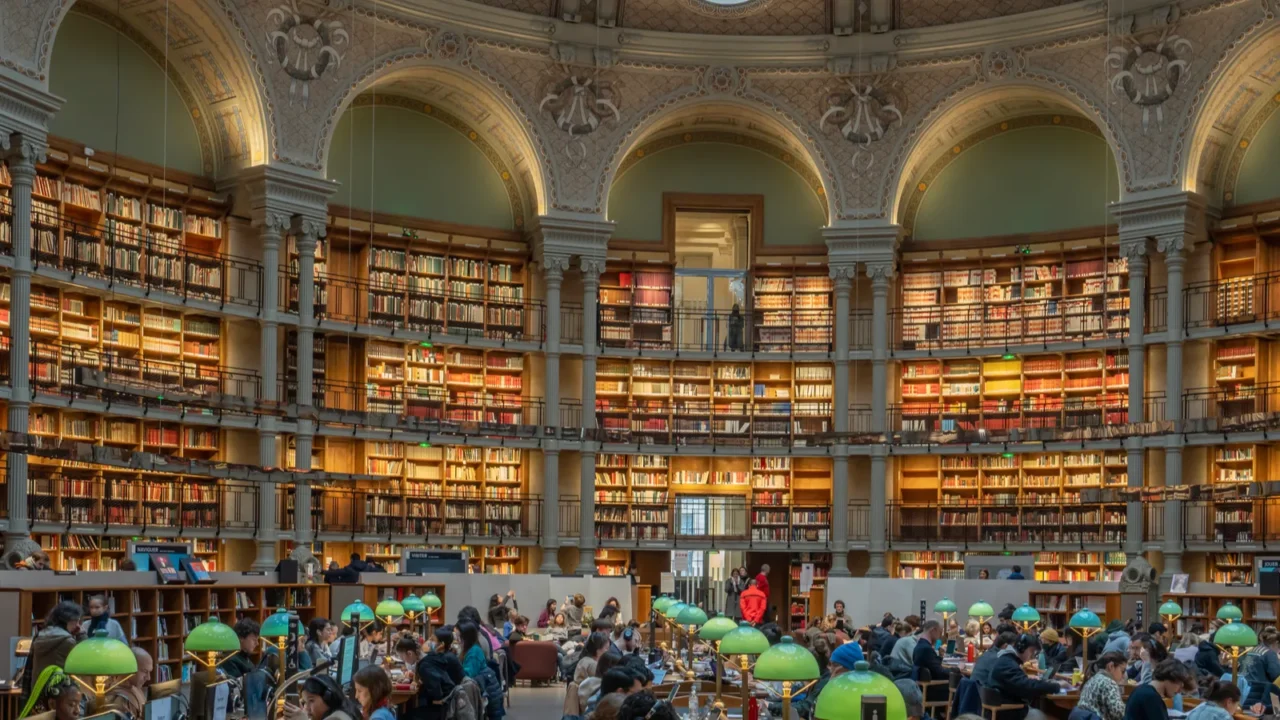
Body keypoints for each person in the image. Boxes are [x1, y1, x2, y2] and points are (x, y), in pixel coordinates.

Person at [990, 634, 1064, 720]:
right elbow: (1027, 687)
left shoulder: (1006, 660)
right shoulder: (1007, 664)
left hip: (1008, 708)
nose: (1032, 656)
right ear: (1022, 648)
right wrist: (1057, 685)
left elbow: (1021, 683)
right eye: (1032, 652)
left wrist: (1027, 679)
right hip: (1010, 712)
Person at [411, 627, 464, 720]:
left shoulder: (445, 658)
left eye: (432, 640)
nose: (429, 642)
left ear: (441, 644)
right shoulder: (443, 656)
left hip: (446, 703)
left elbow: (436, 685)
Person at [29, 601, 82, 686]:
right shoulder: (67, 641)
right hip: (60, 690)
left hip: (38, 689)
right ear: (70, 619)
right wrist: (81, 634)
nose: (77, 624)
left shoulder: (39, 635)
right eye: (77, 620)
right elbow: (81, 663)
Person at [1123, 659, 1194, 720]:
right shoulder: (1150, 697)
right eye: (1179, 685)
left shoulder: (1143, 691)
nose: (1179, 691)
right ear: (1171, 677)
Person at [1077, 651, 1128, 720]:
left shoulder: (1092, 679)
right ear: (1111, 666)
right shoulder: (1109, 683)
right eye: (1123, 671)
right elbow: (1119, 713)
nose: (1123, 676)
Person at [284, 674, 361, 720]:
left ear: (327, 697)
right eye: (304, 702)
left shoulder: (336, 718)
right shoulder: (345, 708)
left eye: (311, 701)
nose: (306, 708)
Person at [105, 646, 153, 719]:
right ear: (130, 668)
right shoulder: (118, 699)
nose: (148, 678)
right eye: (145, 671)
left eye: (149, 672)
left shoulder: (135, 687)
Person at [1242, 627, 1280, 710]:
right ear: (1276, 643)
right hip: (1261, 694)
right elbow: (1276, 675)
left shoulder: (1252, 650)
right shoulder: (1270, 653)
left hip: (1245, 691)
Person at [912, 620, 948, 703]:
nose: (940, 636)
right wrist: (957, 669)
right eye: (940, 632)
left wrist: (940, 657)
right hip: (933, 690)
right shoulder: (926, 649)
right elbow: (940, 672)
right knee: (960, 682)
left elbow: (931, 663)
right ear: (933, 630)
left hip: (924, 687)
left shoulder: (920, 646)